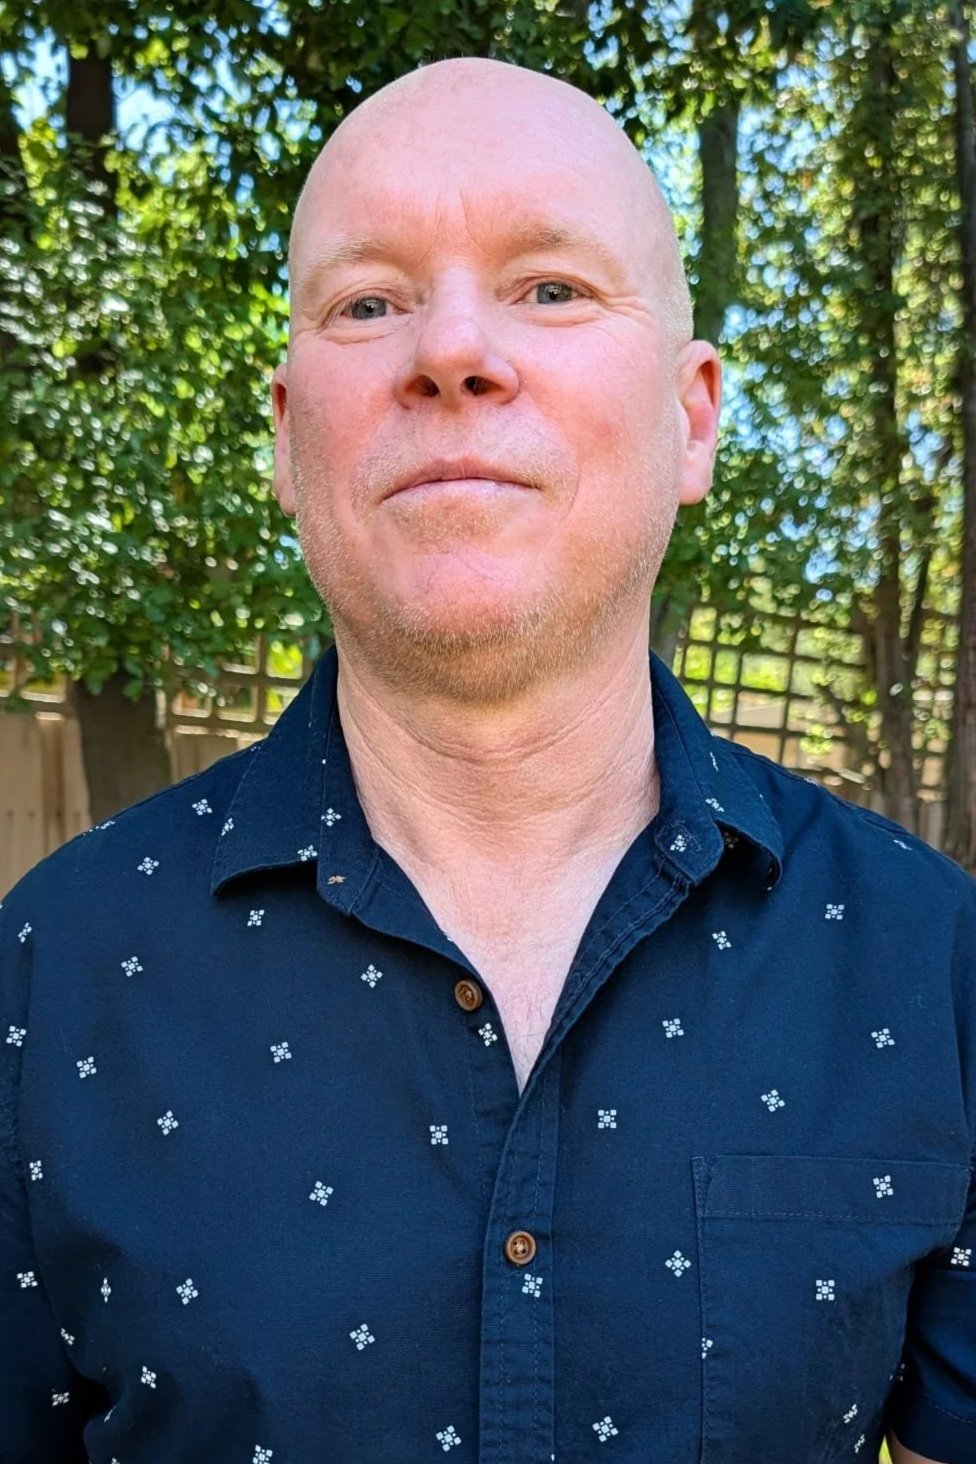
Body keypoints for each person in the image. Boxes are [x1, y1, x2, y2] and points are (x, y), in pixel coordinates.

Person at [1, 56, 972, 1464]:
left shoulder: (930, 967)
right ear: (286, 440)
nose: (450, 351)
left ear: (693, 416)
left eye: (551, 288)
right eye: (370, 302)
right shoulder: (44, 983)